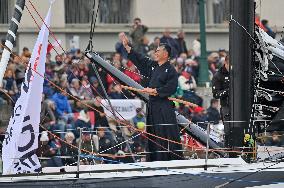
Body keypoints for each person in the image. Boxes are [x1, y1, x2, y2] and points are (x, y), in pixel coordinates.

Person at [122, 35, 183, 161]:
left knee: (164, 134)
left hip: (164, 107)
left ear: (165, 54)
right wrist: (128, 48)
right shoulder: (153, 66)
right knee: (153, 134)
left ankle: (169, 159)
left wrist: (155, 90)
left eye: (158, 51)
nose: (155, 52)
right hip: (153, 106)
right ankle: (154, 159)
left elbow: (171, 88)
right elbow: (141, 60)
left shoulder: (170, 70)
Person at [212, 55, 230, 147]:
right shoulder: (218, 75)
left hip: (240, 106)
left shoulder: (237, 73)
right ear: (226, 63)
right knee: (228, 131)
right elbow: (216, 94)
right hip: (226, 106)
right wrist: (228, 90)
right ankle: (228, 150)